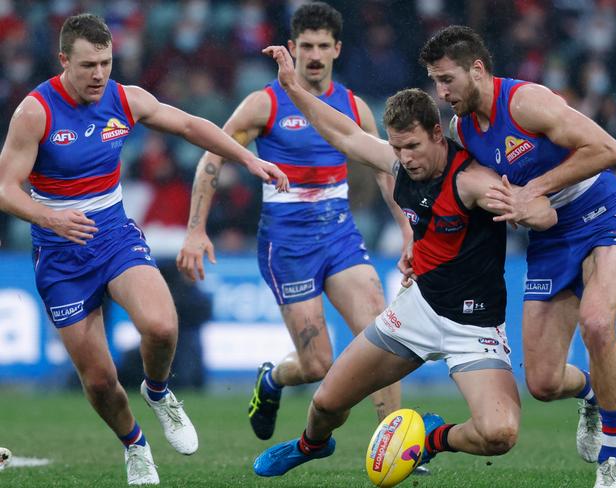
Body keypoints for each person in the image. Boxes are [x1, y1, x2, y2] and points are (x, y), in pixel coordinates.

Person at [0, 13, 287, 486]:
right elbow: (7, 188)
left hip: (112, 233)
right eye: (88, 64)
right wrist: (49, 216)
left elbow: (191, 125)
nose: (99, 75)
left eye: (107, 63)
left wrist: (248, 157)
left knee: (161, 324)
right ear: (63, 61)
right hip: (59, 250)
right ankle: (135, 444)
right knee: (97, 380)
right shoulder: (36, 112)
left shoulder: (125, 99)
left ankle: (158, 392)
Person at [251, 44, 557, 481]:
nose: (405, 158)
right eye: (397, 148)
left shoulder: (473, 183)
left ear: (437, 133)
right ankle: (310, 445)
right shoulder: (398, 163)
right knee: (326, 403)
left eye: (412, 146)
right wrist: (293, 88)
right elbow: (344, 135)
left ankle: (430, 439)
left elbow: (546, 215)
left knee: (500, 434)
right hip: (418, 310)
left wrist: (531, 210)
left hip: (474, 328)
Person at [420, 25, 616, 488]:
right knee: (541, 383)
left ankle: (614, 458)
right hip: (550, 238)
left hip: (602, 215)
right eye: (436, 81)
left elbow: (609, 149)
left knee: (599, 323)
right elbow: (466, 194)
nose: (441, 93)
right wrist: (417, 244)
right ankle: (592, 392)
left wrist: (534, 189)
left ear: (477, 69)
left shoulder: (526, 102)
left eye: (447, 80)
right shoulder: (462, 128)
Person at [177, 1, 409, 445]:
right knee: (317, 365)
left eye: (324, 45)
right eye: (307, 46)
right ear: (292, 48)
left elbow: (385, 171)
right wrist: (195, 229)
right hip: (287, 244)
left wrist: (407, 231)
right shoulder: (264, 103)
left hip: (340, 236)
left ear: (338, 49)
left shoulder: (352, 106)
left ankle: (393, 443)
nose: (316, 55)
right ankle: (272, 380)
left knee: (381, 333)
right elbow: (213, 157)